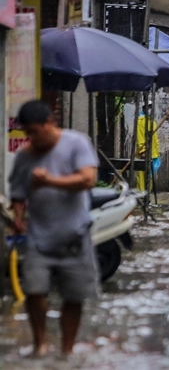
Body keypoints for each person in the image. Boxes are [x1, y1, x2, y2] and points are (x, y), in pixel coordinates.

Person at [9, 100, 100, 356]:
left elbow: (87, 179)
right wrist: (18, 217)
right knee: (34, 291)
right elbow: (18, 193)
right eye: (28, 133)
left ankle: (67, 351)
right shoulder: (25, 156)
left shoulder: (76, 143)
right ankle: (40, 344)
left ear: (50, 123)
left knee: (74, 296)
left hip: (75, 235)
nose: (32, 138)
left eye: (35, 132)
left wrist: (49, 180)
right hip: (38, 236)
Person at [136, 100, 161, 191]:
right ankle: (141, 196)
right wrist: (143, 151)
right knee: (142, 176)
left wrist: (157, 151)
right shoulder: (141, 121)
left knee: (149, 177)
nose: (150, 109)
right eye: (148, 107)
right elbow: (140, 137)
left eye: (151, 107)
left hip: (153, 153)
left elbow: (155, 138)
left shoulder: (152, 121)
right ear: (144, 108)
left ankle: (147, 196)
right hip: (145, 153)